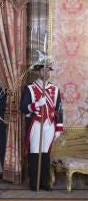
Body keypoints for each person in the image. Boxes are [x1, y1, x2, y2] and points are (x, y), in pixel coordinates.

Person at [20, 56, 63, 191]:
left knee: (45, 153)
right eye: (44, 70)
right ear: (39, 72)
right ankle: (34, 183)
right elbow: (23, 107)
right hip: (36, 123)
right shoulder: (30, 88)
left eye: (48, 70)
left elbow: (59, 109)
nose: (46, 73)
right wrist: (36, 105)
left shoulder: (55, 89)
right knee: (35, 152)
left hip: (50, 124)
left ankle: (45, 182)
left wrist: (58, 128)